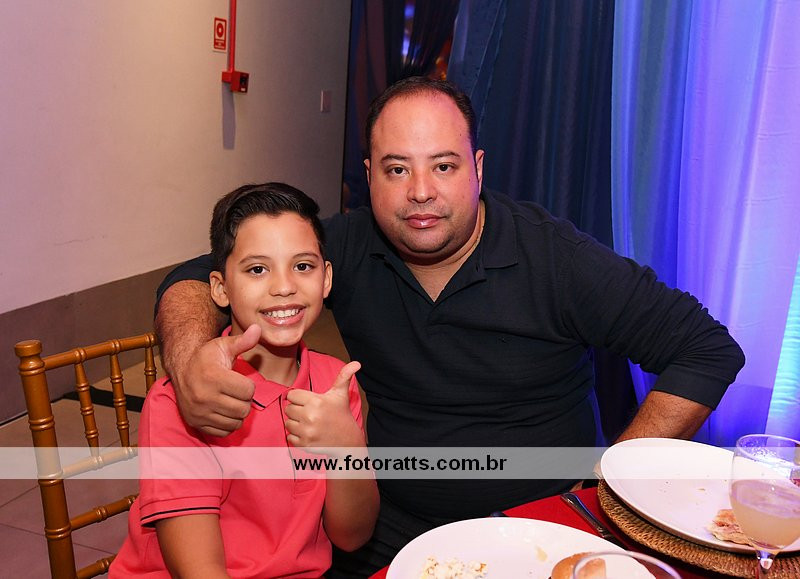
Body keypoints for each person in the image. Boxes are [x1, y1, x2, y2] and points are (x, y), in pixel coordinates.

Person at [154, 77, 745, 576]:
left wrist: (610, 484)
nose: (420, 193)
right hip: (386, 529)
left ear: (477, 169)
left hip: (536, 531)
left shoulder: (555, 258)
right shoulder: (346, 248)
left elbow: (705, 348)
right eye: (396, 169)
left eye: (443, 165)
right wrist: (188, 364)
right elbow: (199, 274)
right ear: (369, 176)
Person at [112, 183, 378, 578]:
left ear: (326, 279)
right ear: (220, 289)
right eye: (257, 269)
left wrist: (347, 448)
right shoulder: (186, 400)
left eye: (302, 266)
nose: (284, 287)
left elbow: (351, 536)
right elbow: (200, 572)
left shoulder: (334, 383)